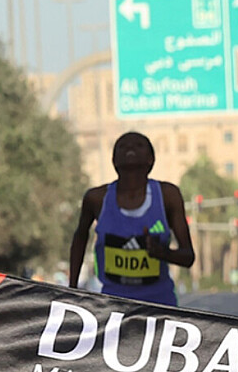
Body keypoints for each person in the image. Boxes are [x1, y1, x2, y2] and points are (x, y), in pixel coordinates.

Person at [69, 131, 195, 306]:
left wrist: (162, 253)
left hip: (159, 305)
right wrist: (72, 289)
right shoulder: (96, 198)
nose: (130, 147)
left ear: (151, 159)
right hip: (113, 305)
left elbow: (188, 257)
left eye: (138, 145)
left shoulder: (168, 195)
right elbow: (80, 238)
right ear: (113, 160)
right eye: (122, 146)